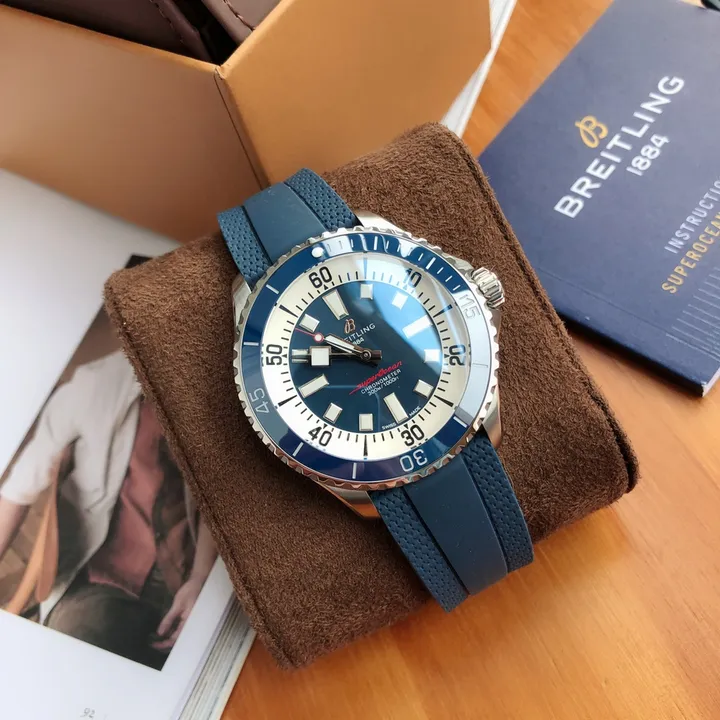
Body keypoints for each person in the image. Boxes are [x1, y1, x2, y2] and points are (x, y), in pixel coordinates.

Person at [0, 350, 217, 669]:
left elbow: (222, 500)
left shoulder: (217, 396)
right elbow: (19, 488)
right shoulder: (94, 384)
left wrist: (200, 580)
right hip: (101, 582)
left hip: (193, 579)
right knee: (76, 652)